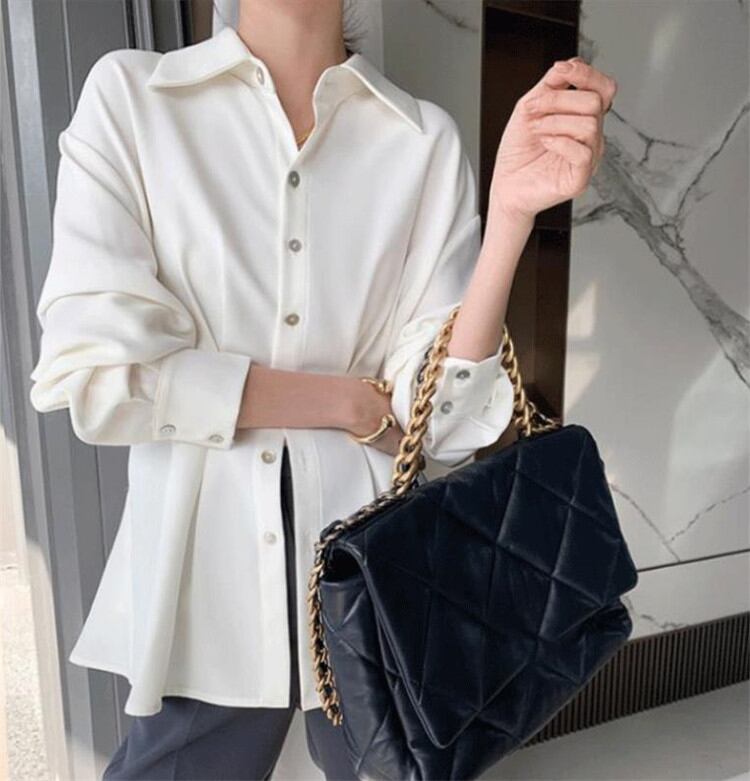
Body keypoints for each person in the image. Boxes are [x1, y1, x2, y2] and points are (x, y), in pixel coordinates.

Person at [28, 0, 615, 777]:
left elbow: (434, 422)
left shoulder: (422, 141)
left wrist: (508, 216)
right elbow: (100, 374)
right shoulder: (135, 100)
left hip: (379, 580)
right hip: (203, 575)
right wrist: (347, 402)